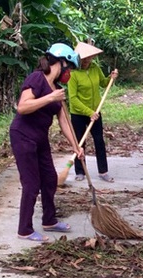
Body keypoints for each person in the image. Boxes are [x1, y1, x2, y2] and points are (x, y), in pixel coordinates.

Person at [9, 42, 85, 242]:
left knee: (50, 178)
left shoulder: (58, 89)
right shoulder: (37, 78)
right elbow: (22, 107)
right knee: (31, 183)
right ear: (60, 63)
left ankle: (49, 220)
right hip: (23, 136)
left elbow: (64, 122)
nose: (68, 73)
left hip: (40, 138)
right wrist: (50, 97)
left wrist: (76, 146)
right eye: (68, 68)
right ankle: (24, 230)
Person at [68, 42, 118, 183]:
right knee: (80, 143)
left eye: (89, 58)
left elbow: (103, 83)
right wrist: (88, 112)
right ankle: (79, 171)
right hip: (78, 114)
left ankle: (103, 171)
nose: (86, 61)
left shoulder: (95, 68)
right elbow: (73, 99)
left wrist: (111, 78)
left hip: (95, 112)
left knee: (99, 141)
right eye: (83, 59)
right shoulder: (73, 74)